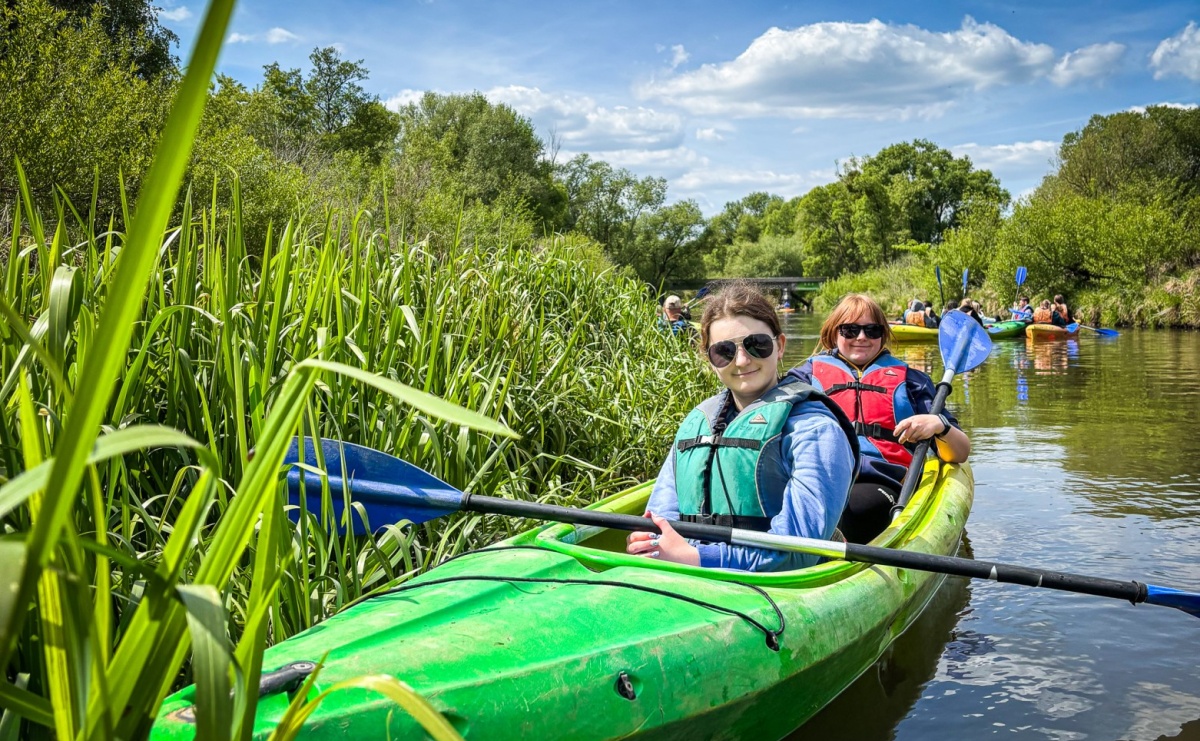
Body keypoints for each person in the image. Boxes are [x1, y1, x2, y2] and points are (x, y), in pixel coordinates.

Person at [626, 283, 858, 571]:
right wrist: (652, 546)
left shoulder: (816, 430)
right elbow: (661, 521)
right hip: (685, 573)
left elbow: (798, 552)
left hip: (776, 585)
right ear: (709, 359)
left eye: (757, 344)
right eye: (724, 351)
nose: (742, 360)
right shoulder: (696, 422)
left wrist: (699, 558)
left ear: (780, 346)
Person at [786, 293, 971, 543]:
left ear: (882, 334)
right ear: (834, 333)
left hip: (879, 482)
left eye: (872, 330)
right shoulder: (803, 377)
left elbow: (960, 452)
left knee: (855, 511)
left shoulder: (912, 382)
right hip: (817, 478)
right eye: (850, 330)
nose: (861, 337)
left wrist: (939, 425)